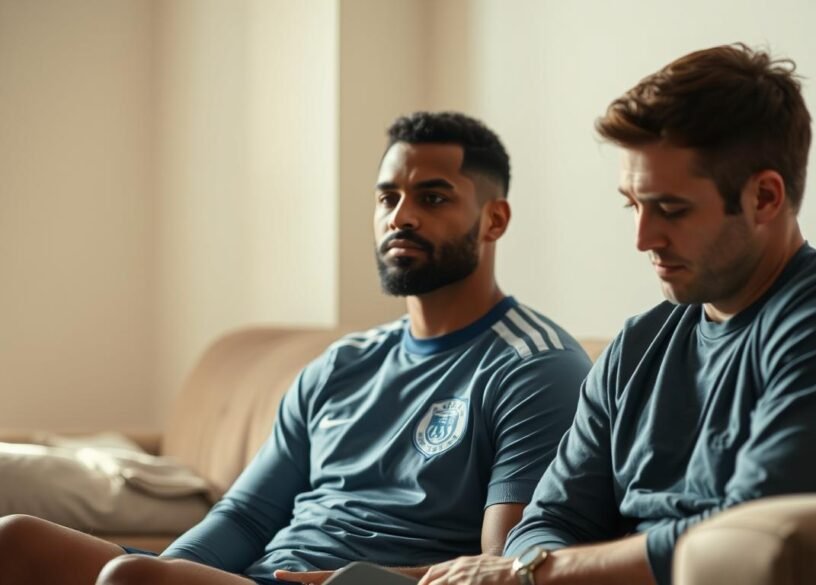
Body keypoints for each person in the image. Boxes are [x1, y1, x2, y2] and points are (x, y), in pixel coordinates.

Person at [419, 44, 816, 585]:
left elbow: (742, 538)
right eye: (633, 204)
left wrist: (533, 574)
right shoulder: (639, 344)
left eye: (671, 209)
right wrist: (534, 567)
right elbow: (550, 520)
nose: (643, 237)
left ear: (764, 198)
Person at [0, 112, 592, 585]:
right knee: (17, 539)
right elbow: (246, 516)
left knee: (130, 579)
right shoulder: (341, 364)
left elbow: (501, 568)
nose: (401, 217)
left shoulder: (535, 367)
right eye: (387, 198)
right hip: (260, 576)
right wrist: (174, 571)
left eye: (432, 198)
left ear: (494, 220)